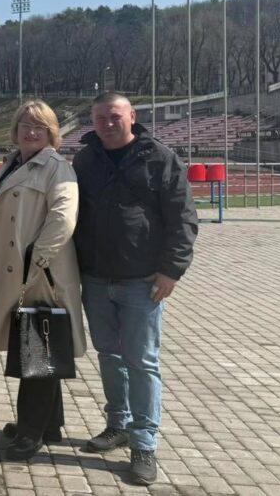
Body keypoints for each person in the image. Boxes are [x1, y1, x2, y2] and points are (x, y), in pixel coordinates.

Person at [73, 92, 198, 485]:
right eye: (100, 118)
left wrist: (170, 271)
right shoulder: (85, 159)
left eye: (114, 116)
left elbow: (183, 218)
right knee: (109, 355)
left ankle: (144, 443)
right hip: (94, 277)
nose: (107, 123)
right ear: (92, 121)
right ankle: (118, 425)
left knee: (142, 361)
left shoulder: (159, 157)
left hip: (142, 281)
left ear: (132, 116)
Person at [0, 100, 85, 461]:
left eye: (40, 125)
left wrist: (34, 259)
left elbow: (63, 219)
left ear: (52, 130)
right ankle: (49, 424)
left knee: (38, 351)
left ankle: (30, 431)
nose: (31, 130)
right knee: (37, 346)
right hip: (16, 270)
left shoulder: (56, 167)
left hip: (41, 274)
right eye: (25, 124)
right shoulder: (11, 163)